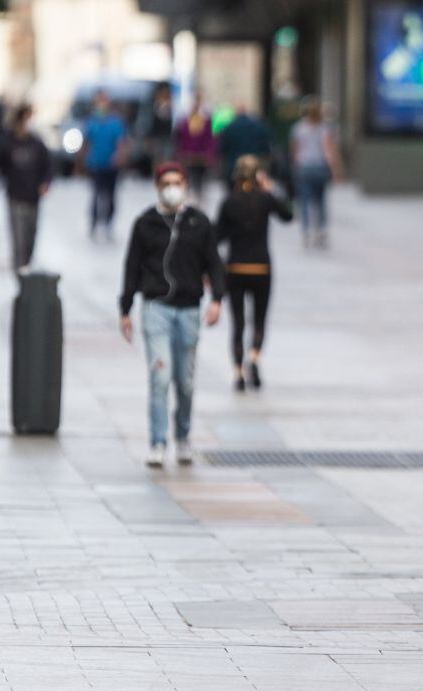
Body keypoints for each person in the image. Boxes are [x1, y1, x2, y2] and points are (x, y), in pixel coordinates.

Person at [119, 161, 225, 469]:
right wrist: (124, 309)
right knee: (160, 376)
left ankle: (183, 435)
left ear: (186, 185)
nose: (172, 188)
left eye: (177, 182)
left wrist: (217, 299)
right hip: (156, 308)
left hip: (189, 309)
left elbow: (214, 263)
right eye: (166, 182)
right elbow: (131, 266)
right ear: (157, 186)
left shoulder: (198, 222)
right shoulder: (145, 224)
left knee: (185, 381)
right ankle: (158, 440)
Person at [215, 155, 294, 391]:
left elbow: (218, 235)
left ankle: (238, 373)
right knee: (259, 318)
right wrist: (271, 190)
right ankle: (255, 357)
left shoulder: (229, 201)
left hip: (236, 267)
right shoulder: (266, 198)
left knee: (238, 321)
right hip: (262, 267)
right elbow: (288, 215)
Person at [0, 104, 52, 274]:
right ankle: (21, 277)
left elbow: (48, 167)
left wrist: (45, 183)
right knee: (19, 241)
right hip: (15, 197)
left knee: (30, 239)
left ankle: (26, 269)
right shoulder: (7, 143)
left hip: (34, 198)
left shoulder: (37, 143)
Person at [290, 96, 342, 248]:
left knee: (304, 200)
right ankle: (321, 230)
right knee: (321, 200)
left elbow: (295, 150)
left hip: (304, 167)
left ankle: (306, 230)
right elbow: (329, 151)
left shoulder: (298, 128)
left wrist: (295, 165)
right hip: (320, 167)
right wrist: (336, 169)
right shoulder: (324, 128)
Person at [80, 90, 129, 241]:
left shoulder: (116, 122)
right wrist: (81, 161)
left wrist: (119, 157)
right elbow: (86, 143)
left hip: (111, 166)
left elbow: (122, 142)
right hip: (95, 164)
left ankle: (108, 223)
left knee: (110, 195)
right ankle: (94, 223)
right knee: (96, 194)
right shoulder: (91, 122)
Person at [173, 93, 216, 204]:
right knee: (187, 178)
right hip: (188, 155)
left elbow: (209, 139)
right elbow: (180, 138)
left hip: (201, 156)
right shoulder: (184, 121)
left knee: (200, 180)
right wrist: (180, 153)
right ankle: (187, 199)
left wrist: (208, 154)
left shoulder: (206, 122)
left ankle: (198, 199)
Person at [218, 105, 271, 186]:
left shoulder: (229, 128)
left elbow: (223, 148)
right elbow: (265, 147)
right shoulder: (258, 126)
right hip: (254, 166)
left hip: (235, 167)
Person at [147, 82, 174, 168]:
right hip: (157, 137)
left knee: (166, 159)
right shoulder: (154, 106)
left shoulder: (171, 106)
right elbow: (151, 123)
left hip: (167, 137)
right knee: (157, 158)